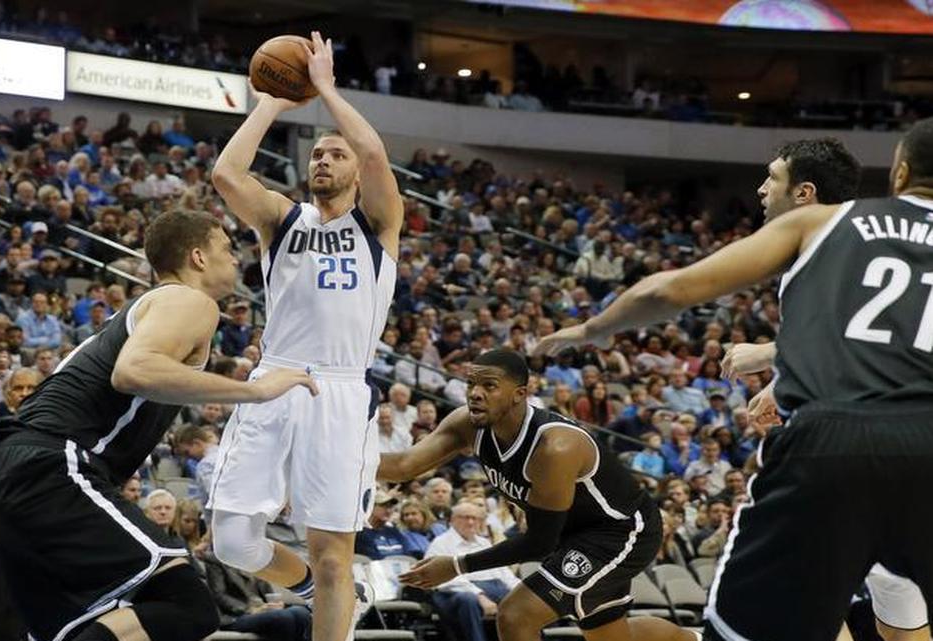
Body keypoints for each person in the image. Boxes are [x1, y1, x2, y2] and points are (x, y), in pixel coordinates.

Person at [534, 120, 933, 641]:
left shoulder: (821, 223)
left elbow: (677, 289)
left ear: (900, 171)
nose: (762, 189)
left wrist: (595, 329)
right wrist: (781, 359)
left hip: (830, 443)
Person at [0, 210, 317, 641]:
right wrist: (256, 390)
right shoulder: (188, 301)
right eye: (226, 248)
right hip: (52, 469)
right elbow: (133, 371)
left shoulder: (138, 316)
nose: (235, 257)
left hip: (8, 473)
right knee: (185, 605)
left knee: (93, 625)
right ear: (198, 257)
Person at [209, 32, 403, 641]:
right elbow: (225, 173)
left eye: (335, 155)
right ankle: (318, 592)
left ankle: (332, 604)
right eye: (317, 154)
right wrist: (270, 98)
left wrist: (324, 88)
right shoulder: (280, 218)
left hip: (342, 393)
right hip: (275, 379)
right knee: (234, 543)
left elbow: (373, 154)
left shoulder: (378, 226)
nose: (324, 159)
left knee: (332, 554)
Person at [720, 137, 930, 641]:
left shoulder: (839, 242)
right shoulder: (859, 238)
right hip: (892, 451)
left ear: (804, 193)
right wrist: (783, 384)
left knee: (806, 599)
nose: (761, 187)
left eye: (772, 177)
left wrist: (768, 354)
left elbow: (880, 337)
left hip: (858, 452)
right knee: (898, 615)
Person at [380, 349, 696, 641]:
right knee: (611, 636)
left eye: (489, 386)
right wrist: (340, 461)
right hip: (572, 533)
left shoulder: (555, 447)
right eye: (471, 383)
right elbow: (405, 465)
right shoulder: (469, 423)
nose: (475, 393)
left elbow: (539, 542)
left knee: (516, 615)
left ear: (520, 394)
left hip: (621, 531)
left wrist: (457, 565)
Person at [424, 501, 521, 641]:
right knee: (468, 600)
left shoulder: (484, 543)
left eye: (475, 518)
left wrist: (522, 591)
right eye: (465, 517)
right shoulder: (441, 543)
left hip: (493, 587)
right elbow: (445, 578)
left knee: (521, 601)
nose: (470, 522)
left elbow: (504, 574)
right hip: (455, 593)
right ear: (452, 520)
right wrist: (479, 595)